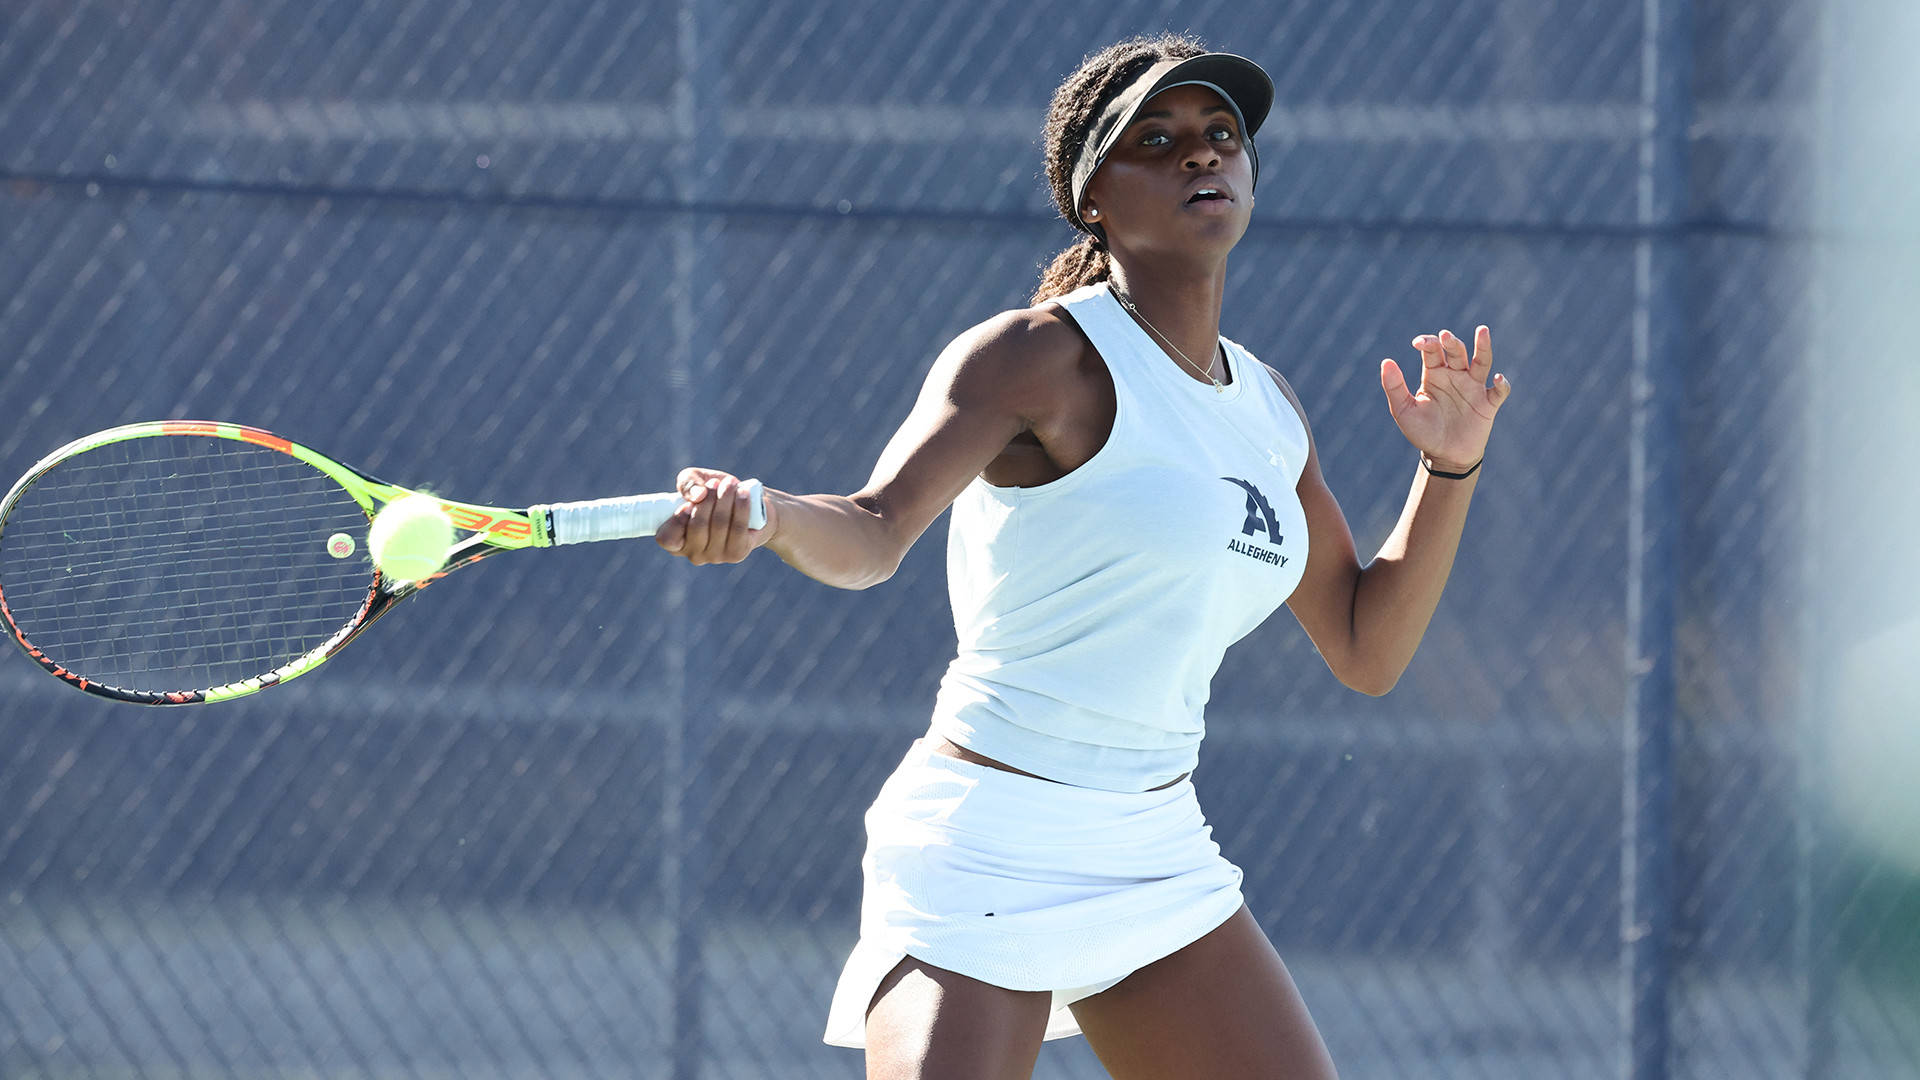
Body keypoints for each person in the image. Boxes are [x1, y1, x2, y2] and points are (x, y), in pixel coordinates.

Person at [656, 32, 1511, 1080]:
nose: (1202, 156)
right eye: (1156, 141)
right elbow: (873, 532)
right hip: (988, 839)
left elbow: (1364, 646)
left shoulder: (1268, 408)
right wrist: (768, 513)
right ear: (1092, 197)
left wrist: (1450, 471)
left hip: (1154, 846)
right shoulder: (1033, 355)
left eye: (1220, 136)